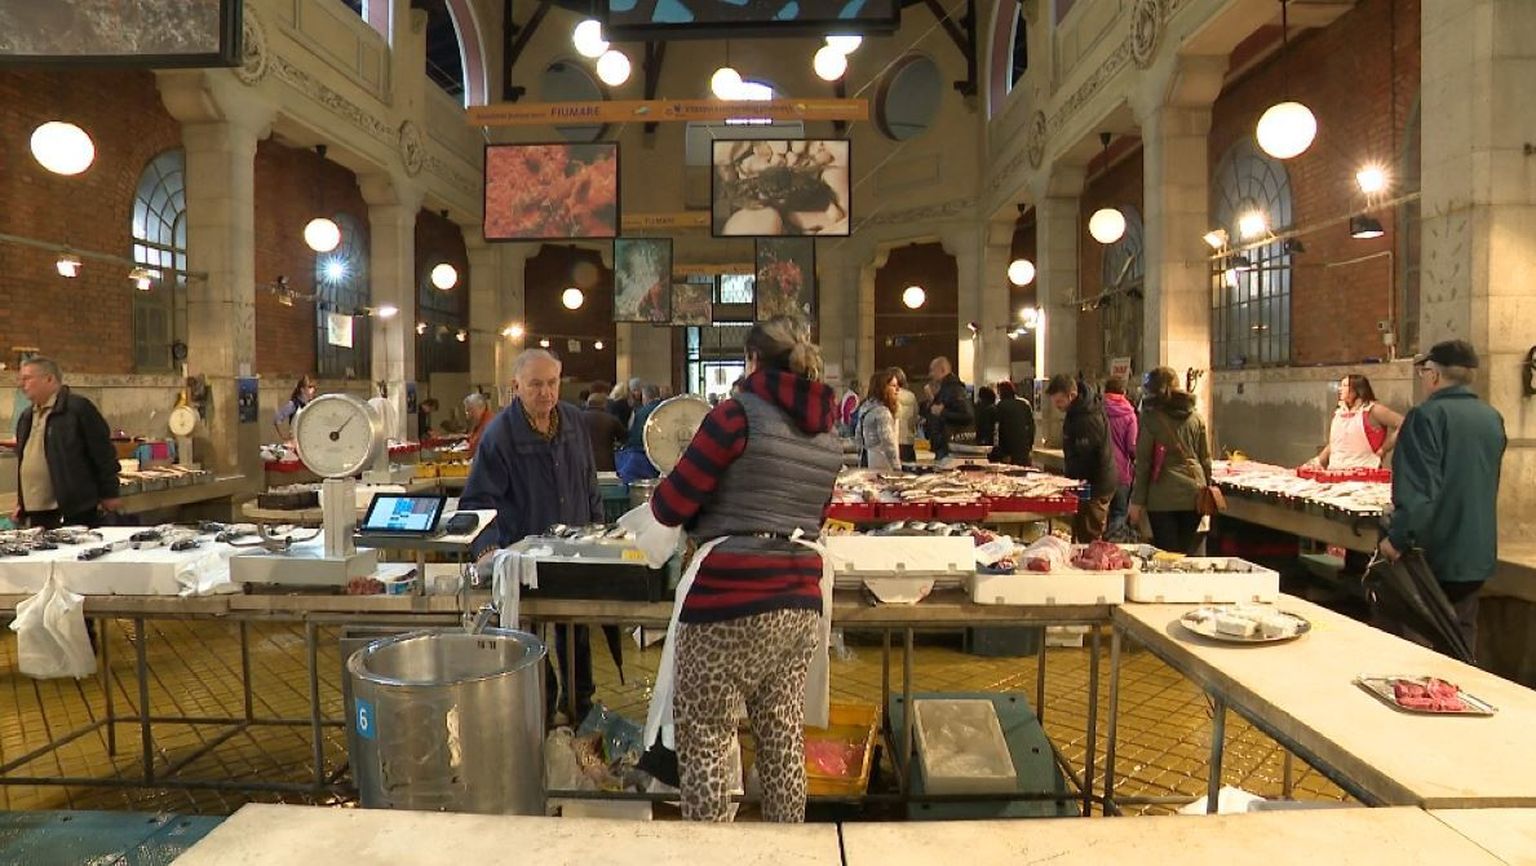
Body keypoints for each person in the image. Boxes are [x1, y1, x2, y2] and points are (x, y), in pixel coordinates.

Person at [642, 316, 842, 822]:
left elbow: (672, 505)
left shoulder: (734, 417)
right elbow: (815, 519)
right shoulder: (828, 435)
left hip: (727, 602)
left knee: (706, 737)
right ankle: (787, 846)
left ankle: (711, 851)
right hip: (799, 601)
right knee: (782, 734)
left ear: (752, 360)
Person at [462, 349, 604, 720]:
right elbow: (477, 501)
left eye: (552, 383)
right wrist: (487, 549)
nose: (546, 392)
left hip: (574, 552)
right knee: (530, 636)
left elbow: (589, 481)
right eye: (536, 384)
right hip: (524, 559)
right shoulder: (500, 435)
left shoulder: (574, 421)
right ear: (516, 386)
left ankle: (580, 707)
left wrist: (599, 531)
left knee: (576, 632)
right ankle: (541, 706)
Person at [1378, 340, 1507, 656]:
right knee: (1460, 644)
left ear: (1434, 375)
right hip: (1475, 554)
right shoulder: (1491, 417)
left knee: (1417, 646)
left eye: (1423, 371)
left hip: (1433, 556)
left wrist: (1397, 539)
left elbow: (1419, 492)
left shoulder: (1426, 417)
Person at [13, 357, 121, 528]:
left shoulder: (77, 409)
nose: (21, 384)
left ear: (49, 379)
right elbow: (25, 461)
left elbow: (103, 453)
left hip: (73, 510)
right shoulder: (26, 417)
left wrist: (110, 493)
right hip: (36, 513)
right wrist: (22, 503)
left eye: (27, 378)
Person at [1128, 367, 1212, 555]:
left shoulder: (1150, 419)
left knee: (1167, 554)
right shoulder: (1196, 417)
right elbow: (1206, 459)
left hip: (1162, 498)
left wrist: (1137, 501)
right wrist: (1207, 487)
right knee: (1187, 551)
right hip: (1194, 494)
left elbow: (1144, 463)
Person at [1046, 375, 1118, 542]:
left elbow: (1088, 457)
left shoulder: (1087, 418)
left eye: (1059, 401)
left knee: (1089, 533)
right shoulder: (1077, 411)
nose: (1057, 406)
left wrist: (1074, 483)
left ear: (1071, 395)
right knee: (1081, 529)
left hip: (1094, 485)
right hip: (1086, 483)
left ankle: (1091, 557)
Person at [1309, 374, 1404, 470]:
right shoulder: (1339, 413)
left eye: (1344, 385)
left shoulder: (1373, 410)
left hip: (1366, 471)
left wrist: (1384, 449)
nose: (1340, 389)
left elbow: (1404, 424)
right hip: (1336, 471)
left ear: (1357, 389)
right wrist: (1318, 462)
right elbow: (1335, 444)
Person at [1102, 377, 1140, 539]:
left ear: (1105, 391)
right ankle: (1114, 545)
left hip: (1101, 470)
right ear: (1124, 392)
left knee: (1099, 513)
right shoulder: (1129, 414)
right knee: (1119, 512)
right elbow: (1132, 446)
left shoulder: (1098, 410)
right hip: (1122, 472)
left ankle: (1097, 546)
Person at [926, 357, 974, 459]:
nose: (931, 374)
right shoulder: (946, 389)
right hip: (944, 445)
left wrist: (942, 412)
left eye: (932, 370)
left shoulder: (955, 389)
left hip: (951, 447)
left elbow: (968, 415)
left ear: (942, 370)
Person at [856, 369, 901, 471]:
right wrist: (896, 467)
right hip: (882, 465)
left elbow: (858, 437)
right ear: (883, 388)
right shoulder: (882, 412)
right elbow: (888, 443)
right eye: (893, 386)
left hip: (866, 460)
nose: (897, 389)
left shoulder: (865, 407)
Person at [617, 384, 664, 481]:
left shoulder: (640, 412)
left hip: (644, 454)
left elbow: (635, 435)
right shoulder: (666, 408)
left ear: (645, 396)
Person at [990, 380, 1036, 466]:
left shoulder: (1000, 406)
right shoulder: (1025, 404)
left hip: (1008, 451)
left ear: (1000, 392)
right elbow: (1031, 427)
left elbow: (998, 430)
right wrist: (1029, 446)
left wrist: (1002, 452)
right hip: (1023, 449)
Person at [582, 392, 628, 473]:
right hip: (605, 463)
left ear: (588, 403)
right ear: (604, 404)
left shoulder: (578, 418)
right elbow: (624, 438)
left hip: (583, 462)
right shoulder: (611, 419)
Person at [274, 375, 316, 442]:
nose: (313, 390)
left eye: (313, 387)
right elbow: (277, 417)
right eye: (309, 387)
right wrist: (285, 437)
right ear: (302, 390)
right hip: (297, 441)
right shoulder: (293, 404)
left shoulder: (311, 404)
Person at [893, 368, 918, 464]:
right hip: (908, 440)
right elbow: (915, 417)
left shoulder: (890, 396)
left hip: (894, 439)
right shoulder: (911, 396)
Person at [463, 392, 491, 457]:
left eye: (470, 410)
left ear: (481, 408)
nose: (468, 416)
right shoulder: (478, 424)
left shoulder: (489, 424)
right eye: (467, 411)